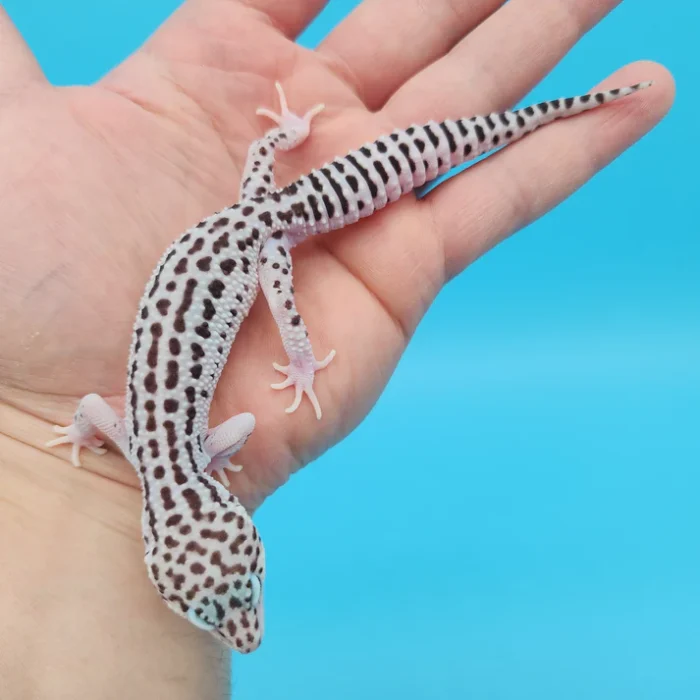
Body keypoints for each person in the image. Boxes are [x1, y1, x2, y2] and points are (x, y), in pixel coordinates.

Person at [0, 0, 672, 697]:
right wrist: (84, 433)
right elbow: (94, 408)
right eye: (239, 593)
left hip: (257, 240)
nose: (245, 626)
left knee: (289, 304)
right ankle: (288, 136)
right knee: (285, 209)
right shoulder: (137, 443)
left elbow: (241, 428)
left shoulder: (182, 456)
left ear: (172, 546)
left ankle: (559, 111)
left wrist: (292, 369)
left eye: (223, 601)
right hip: (248, 215)